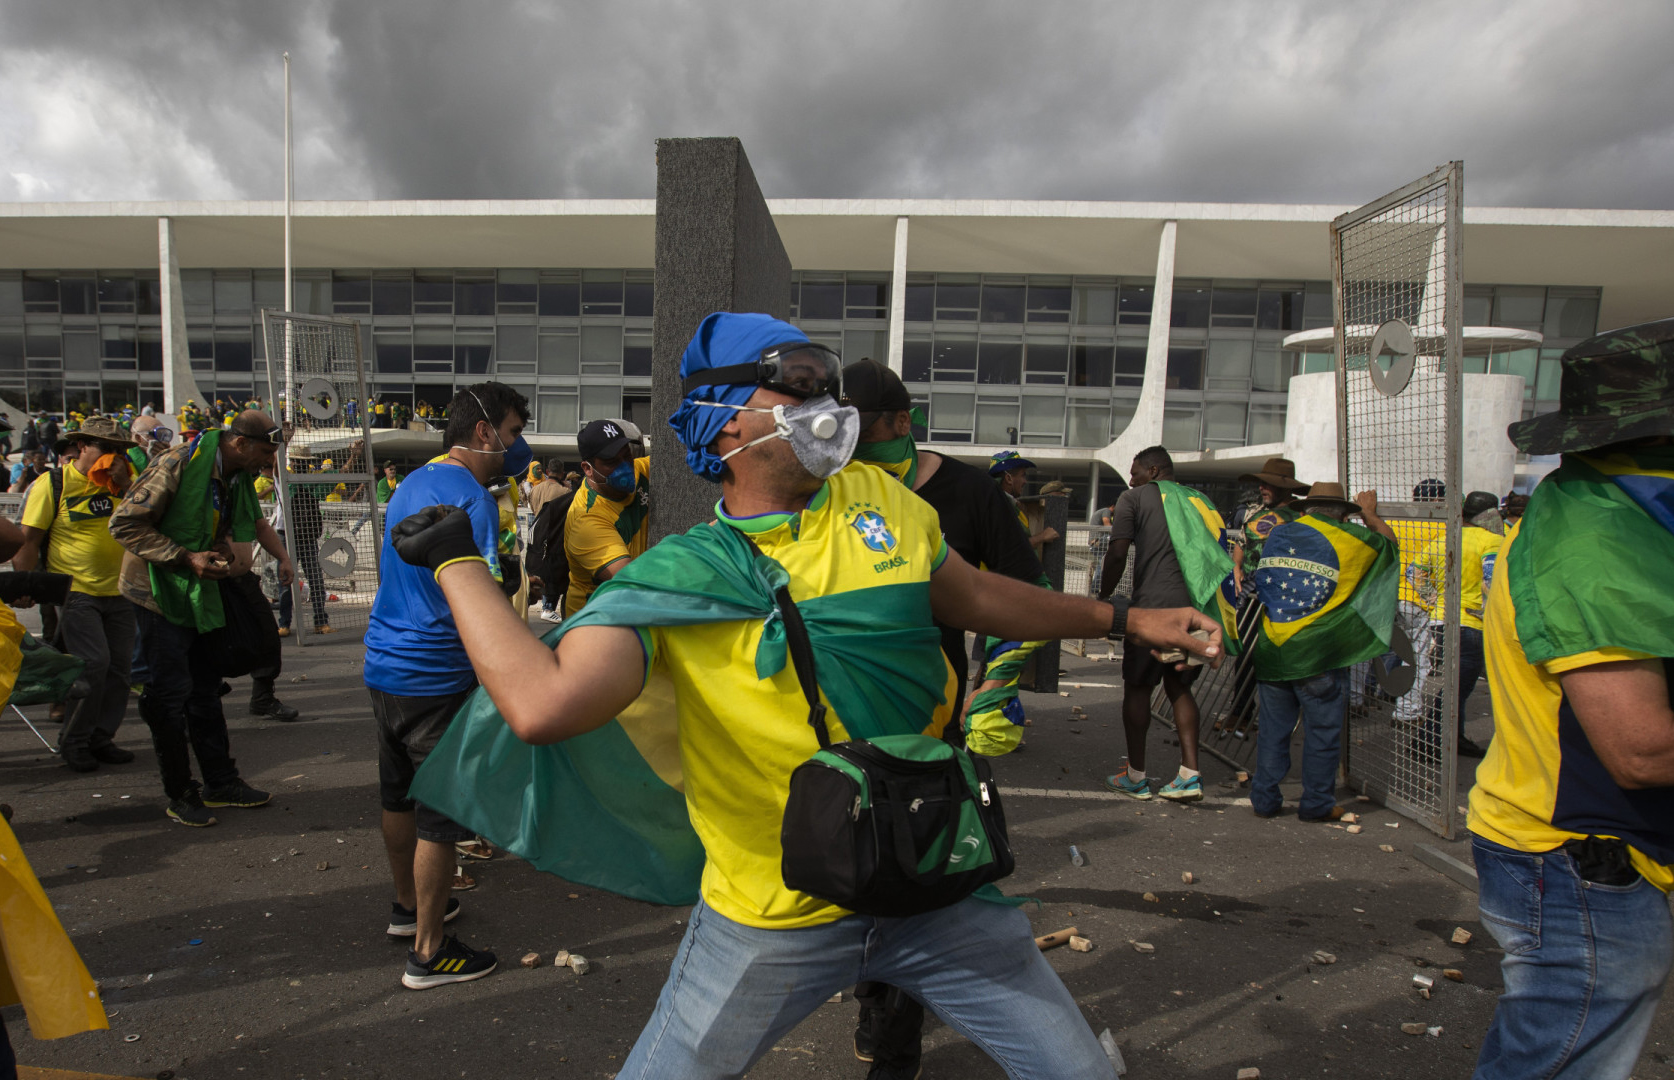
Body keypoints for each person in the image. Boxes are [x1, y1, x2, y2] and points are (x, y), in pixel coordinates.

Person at [387, 310, 1222, 1079]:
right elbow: (541, 705)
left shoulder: (883, 504)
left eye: (827, 384)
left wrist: (1122, 616)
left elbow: (973, 596)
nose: (824, 401)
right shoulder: (681, 579)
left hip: (937, 884)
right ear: (725, 420)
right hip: (770, 915)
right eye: (795, 382)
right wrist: (461, 565)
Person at [1467, 317, 1674, 1080]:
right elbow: (1642, 746)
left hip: (1595, 855)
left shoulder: (1620, 518)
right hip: (1581, 857)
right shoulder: (1597, 537)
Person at [844, 357, 1050, 1073]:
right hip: (840, 725)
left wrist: (987, 686)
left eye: (861, 427)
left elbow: (1023, 590)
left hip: (933, 727)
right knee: (851, 866)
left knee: (917, 877)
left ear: (903, 423)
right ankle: (876, 988)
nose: (847, 442)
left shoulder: (967, 493)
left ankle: (895, 1041)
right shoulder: (829, 490)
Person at [362, 382, 527, 990]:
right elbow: (475, 603)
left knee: (397, 795)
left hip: (385, 665)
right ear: (483, 432)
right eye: (511, 433)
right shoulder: (471, 501)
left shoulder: (411, 482)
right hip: (437, 674)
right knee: (442, 815)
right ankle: (430, 953)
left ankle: (407, 908)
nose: (515, 446)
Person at [107, 411, 279, 827]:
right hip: (158, 595)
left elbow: (217, 523)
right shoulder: (177, 463)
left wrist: (216, 550)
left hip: (200, 593)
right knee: (168, 695)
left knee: (204, 689)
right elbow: (125, 523)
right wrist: (186, 557)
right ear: (239, 444)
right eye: (264, 453)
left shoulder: (235, 476)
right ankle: (179, 793)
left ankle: (221, 783)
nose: (268, 463)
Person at [1248, 483, 1397, 821]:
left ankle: (1265, 799)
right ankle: (1316, 803)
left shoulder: (1279, 534)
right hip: (1319, 652)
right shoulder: (1350, 538)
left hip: (1274, 645)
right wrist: (1370, 515)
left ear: (1307, 508)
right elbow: (1389, 545)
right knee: (1323, 732)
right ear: (1344, 514)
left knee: (1273, 730)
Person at [13, 417, 143, 773]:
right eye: (106, 449)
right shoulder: (53, 484)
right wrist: (24, 585)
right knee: (93, 663)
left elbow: (149, 519)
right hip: (77, 592)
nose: (114, 456)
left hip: (120, 591)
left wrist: (125, 484)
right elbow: (29, 539)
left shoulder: (120, 486)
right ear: (82, 447)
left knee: (120, 669)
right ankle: (74, 740)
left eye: (120, 450)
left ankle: (101, 737)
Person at [1098, 446, 1226, 801]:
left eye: (1135, 471)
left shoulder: (1134, 498)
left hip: (1152, 610)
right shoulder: (1201, 501)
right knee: (1180, 689)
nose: (1131, 478)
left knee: (1138, 688)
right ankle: (1189, 775)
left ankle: (1136, 776)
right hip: (1195, 610)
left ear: (1153, 471)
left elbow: (1118, 552)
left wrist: (1103, 596)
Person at [1411, 490, 1505, 759]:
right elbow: (1491, 581)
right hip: (1470, 625)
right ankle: (1427, 742)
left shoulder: (1443, 539)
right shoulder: (1492, 542)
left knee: (1455, 686)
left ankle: (1455, 737)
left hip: (1441, 622)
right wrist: (1488, 613)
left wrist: (1431, 599)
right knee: (1457, 689)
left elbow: (1414, 570)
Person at [1222, 458, 1310, 730]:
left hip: (1285, 602)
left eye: (1268, 484)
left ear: (1285, 487)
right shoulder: (1255, 515)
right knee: (1245, 656)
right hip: (1250, 597)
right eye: (1261, 483)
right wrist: (1236, 565)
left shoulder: (1302, 518)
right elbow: (1241, 541)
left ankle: (1283, 719)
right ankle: (1240, 714)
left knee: (1281, 659)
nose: (1262, 488)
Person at [561, 419, 650, 618]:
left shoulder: (639, 471)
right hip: (594, 622)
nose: (625, 466)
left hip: (627, 614)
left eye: (627, 455)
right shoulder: (586, 520)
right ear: (587, 468)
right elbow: (631, 582)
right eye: (611, 462)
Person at [525, 458, 572, 624]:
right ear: (561, 473)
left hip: (536, 534)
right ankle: (548, 607)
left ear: (547, 471)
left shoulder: (535, 490)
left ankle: (541, 603)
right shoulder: (564, 492)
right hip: (553, 536)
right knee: (554, 573)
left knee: (539, 572)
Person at [990, 450, 1060, 551]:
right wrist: (1042, 536)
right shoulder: (999, 506)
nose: (1025, 481)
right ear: (1008, 478)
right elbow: (1009, 548)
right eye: (1023, 475)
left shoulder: (1002, 502)